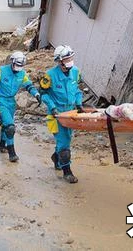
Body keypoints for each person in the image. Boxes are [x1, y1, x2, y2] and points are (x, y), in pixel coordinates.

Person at [39, 45, 83, 183]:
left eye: (71, 58)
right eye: (67, 58)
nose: (70, 60)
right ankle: (67, 172)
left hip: (71, 112)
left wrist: (79, 103)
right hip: (56, 114)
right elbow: (43, 94)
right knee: (64, 143)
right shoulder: (50, 76)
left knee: (67, 139)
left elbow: (77, 90)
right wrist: (52, 107)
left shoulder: (76, 72)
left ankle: (56, 158)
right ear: (59, 61)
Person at [0, 51, 41, 162]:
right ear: (12, 61)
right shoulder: (1, 71)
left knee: (5, 125)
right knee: (10, 127)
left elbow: (29, 85)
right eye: (17, 65)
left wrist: (36, 94)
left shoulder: (22, 74)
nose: (18, 67)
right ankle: (12, 152)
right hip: (0, 100)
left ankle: (2, 145)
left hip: (11, 102)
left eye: (21, 66)